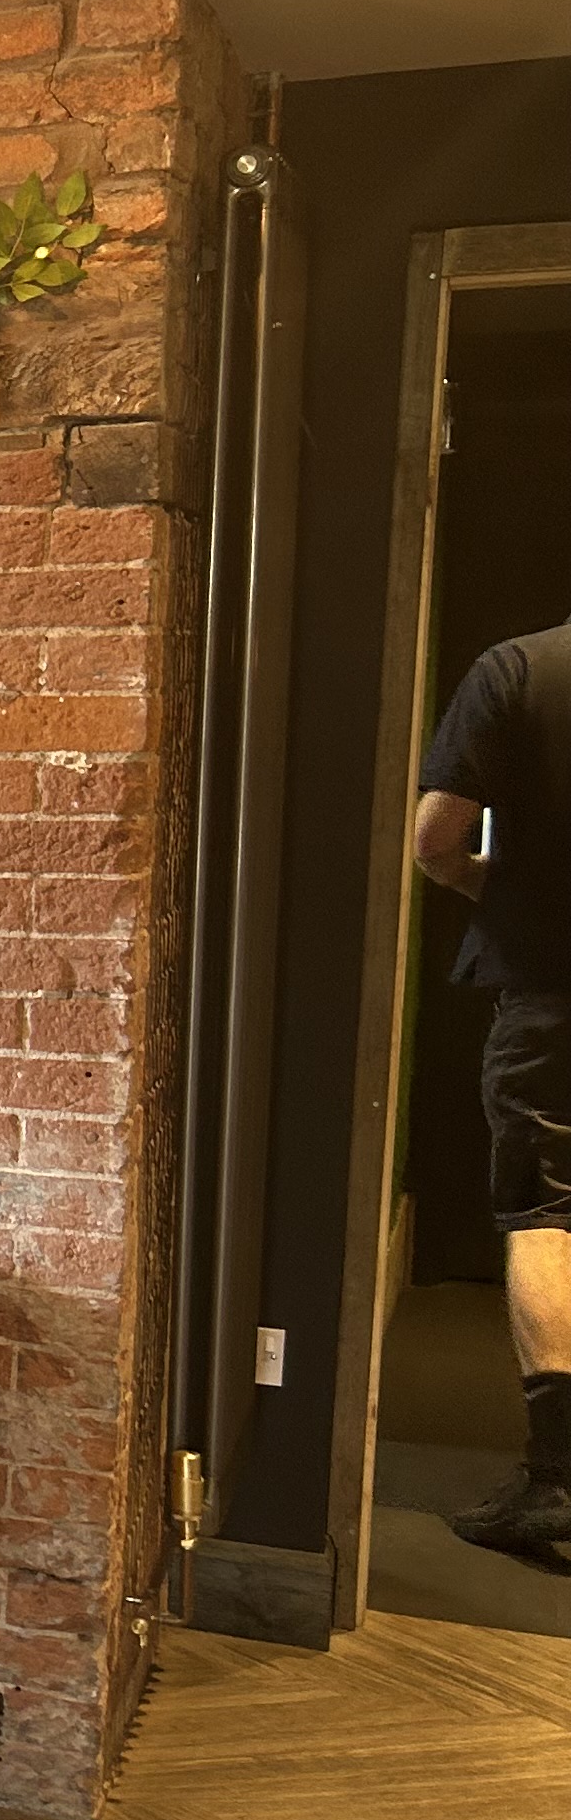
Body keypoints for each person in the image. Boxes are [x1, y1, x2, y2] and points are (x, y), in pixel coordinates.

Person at [414, 621, 571, 1558]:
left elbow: (435, 841)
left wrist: (498, 893)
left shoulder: (520, 671)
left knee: (549, 1213)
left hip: (553, 993)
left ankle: (556, 1484)